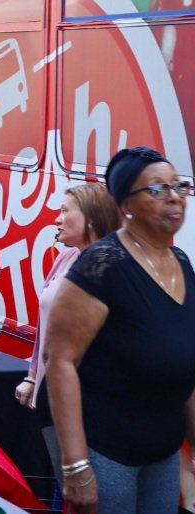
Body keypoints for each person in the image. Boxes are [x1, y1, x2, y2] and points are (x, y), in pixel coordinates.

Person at [43, 147, 195, 513]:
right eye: (157, 189)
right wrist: (77, 466)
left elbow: (185, 368)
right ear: (125, 204)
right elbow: (59, 361)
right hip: (108, 455)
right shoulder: (102, 266)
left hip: (163, 454)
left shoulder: (181, 262)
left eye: (178, 186)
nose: (174, 196)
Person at [15, 183, 121, 410]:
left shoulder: (114, 269)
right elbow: (44, 325)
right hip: (49, 393)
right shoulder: (65, 258)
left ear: (91, 218)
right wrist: (33, 377)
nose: (57, 219)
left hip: (86, 403)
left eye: (65, 211)